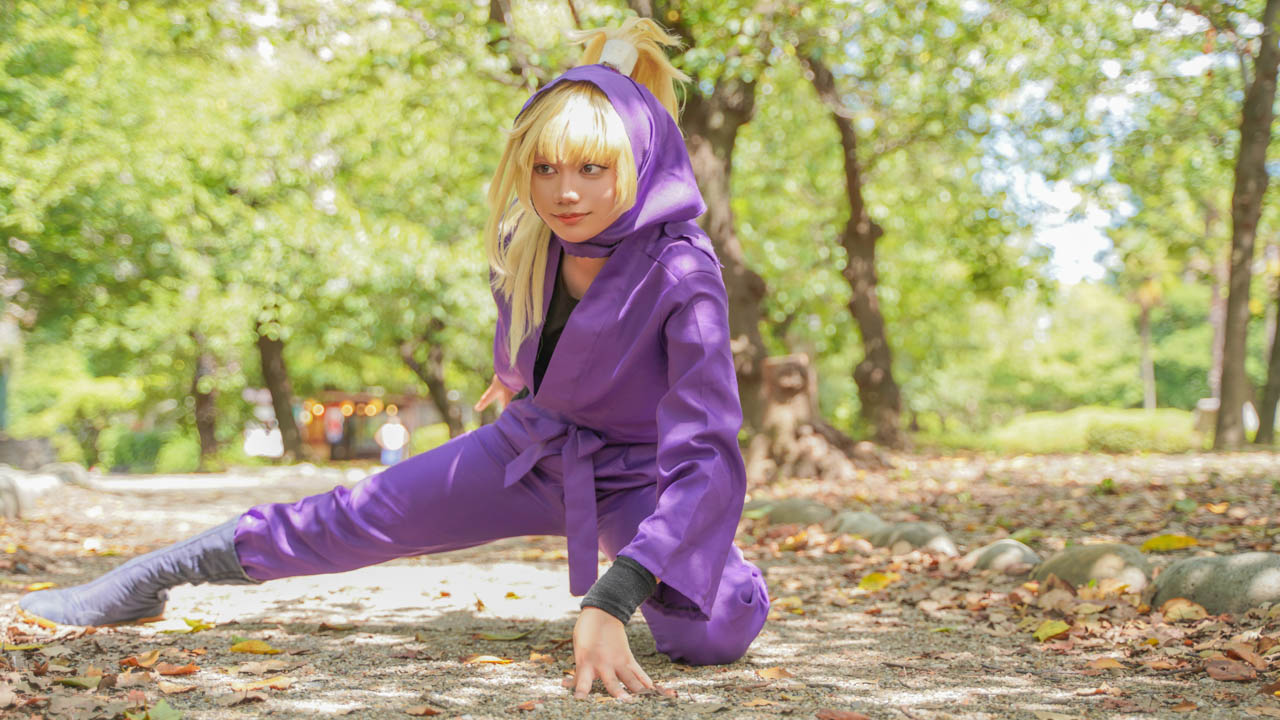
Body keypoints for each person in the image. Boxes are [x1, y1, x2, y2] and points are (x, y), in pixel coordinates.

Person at [18, 18, 770, 700]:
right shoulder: (528, 239)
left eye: (592, 170)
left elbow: (706, 451)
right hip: (531, 449)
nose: (564, 193)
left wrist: (615, 595)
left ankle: (706, 566)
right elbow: (536, 324)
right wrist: (517, 370)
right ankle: (152, 576)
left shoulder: (683, 271)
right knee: (352, 516)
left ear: (639, 162)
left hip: (637, 478)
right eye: (544, 168)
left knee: (715, 629)